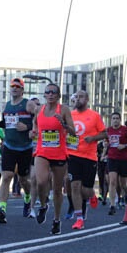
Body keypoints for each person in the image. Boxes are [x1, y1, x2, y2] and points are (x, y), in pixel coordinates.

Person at [32, 84, 76, 235]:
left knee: (57, 190)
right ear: (44, 95)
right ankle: (43, 205)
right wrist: (33, 132)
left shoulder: (63, 110)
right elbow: (35, 126)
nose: (50, 94)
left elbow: (73, 132)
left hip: (59, 153)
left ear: (58, 96)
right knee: (41, 181)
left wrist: (63, 124)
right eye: (47, 92)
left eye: (53, 92)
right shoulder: (39, 110)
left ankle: (57, 220)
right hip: (42, 151)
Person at [0, 78, 36, 224]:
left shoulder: (28, 104)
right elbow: (7, 124)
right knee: (6, 176)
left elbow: (40, 118)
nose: (14, 88)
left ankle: (27, 197)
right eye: (12, 86)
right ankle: (2, 209)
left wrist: (28, 128)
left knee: (23, 180)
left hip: (25, 148)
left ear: (22, 90)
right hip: (9, 146)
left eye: (18, 86)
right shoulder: (7, 105)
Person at [66, 89, 105, 231]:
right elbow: (65, 131)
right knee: (74, 186)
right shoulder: (70, 115)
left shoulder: (94, 116)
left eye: (81, 97)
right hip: (73, 155)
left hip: (89, 157)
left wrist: (93, 138)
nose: (78, 99)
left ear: (87, 99)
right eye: (76, 97)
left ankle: (92, 195)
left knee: (85, 189)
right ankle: (79, 219)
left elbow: (104, 133)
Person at [104, 112, 127, 215]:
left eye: (117, 118)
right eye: (113, 118)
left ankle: (124, 196)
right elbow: (107, 143)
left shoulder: (126, 130)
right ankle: (112, 205)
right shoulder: (108, 130)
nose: (115, 120)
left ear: (120, 120)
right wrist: (105, 145)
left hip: (123, 159)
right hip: (112, 158)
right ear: (111, 120)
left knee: (123, 183)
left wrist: (124, 146)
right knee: (112, 181)